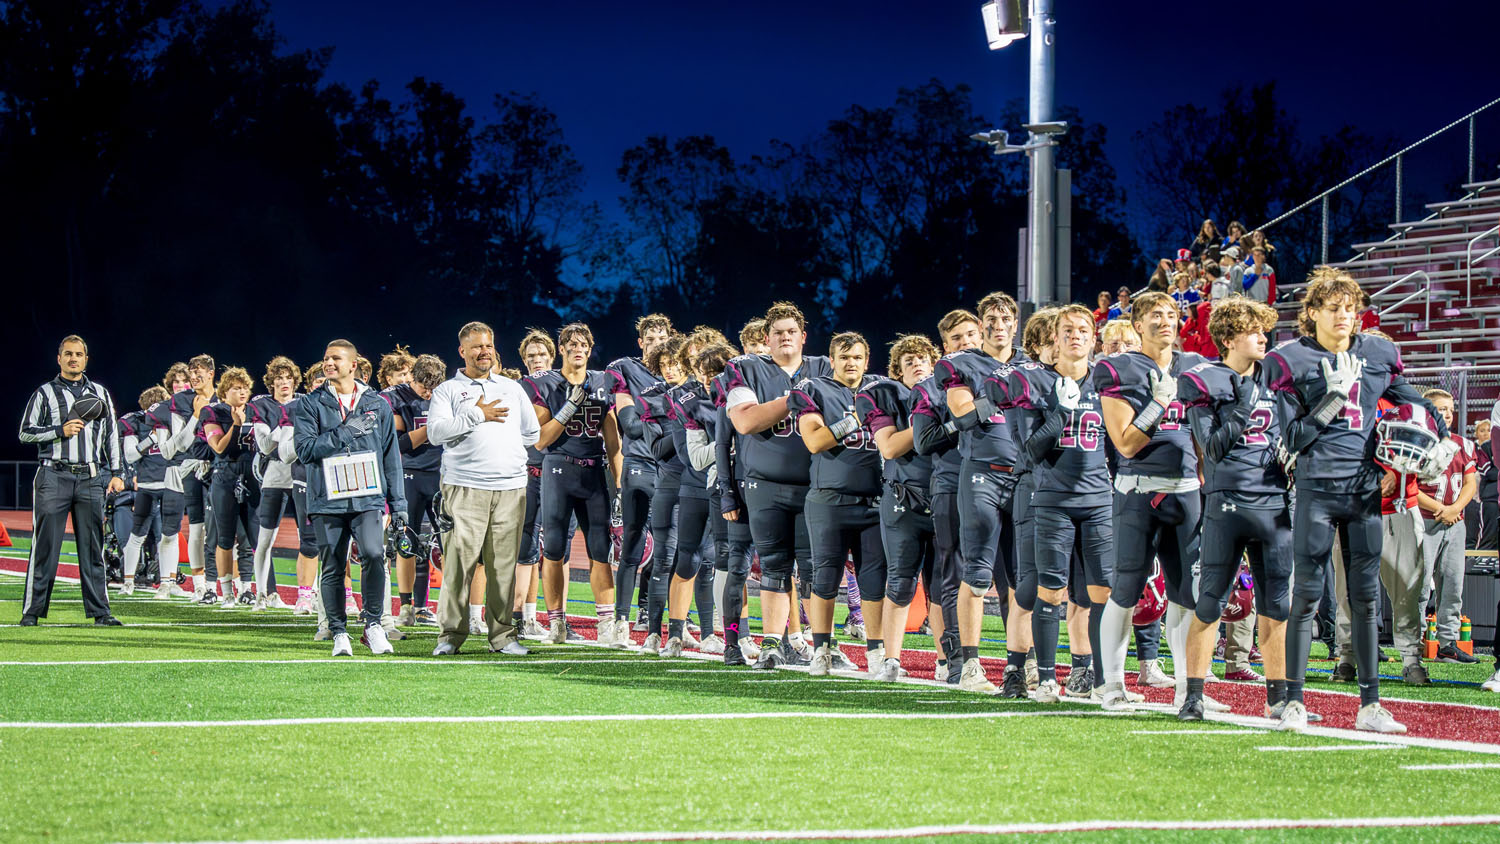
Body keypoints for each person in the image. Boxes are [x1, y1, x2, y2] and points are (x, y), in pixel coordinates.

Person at [1264, 267, 1451, 732]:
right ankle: (1294, 701)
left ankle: (1370, 704)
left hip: (1364, 491)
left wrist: (1443, 434)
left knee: (1367, 600)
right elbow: (1294, 436)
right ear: (1312, 313)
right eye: (1334, 308)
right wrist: (1334, 397)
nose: (1345, 316)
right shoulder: (1293, 360)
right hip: (1316, 489)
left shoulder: (1375, 353)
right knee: (1306, 596)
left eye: (1351, 307)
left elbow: (1417, 402)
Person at [1175, 298, 1300, 721]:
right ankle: (1192, 694)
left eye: (1264, 330)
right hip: (1227, 503)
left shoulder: (1279, 380)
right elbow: (1210, 447)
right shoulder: (1205, 380)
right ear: (1227, 339)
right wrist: (1243, 405)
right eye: (1252, 331)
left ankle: (1278, 697)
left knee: (1276, 606)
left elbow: (1295, 434)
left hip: (1275, 503)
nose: (1263, 337)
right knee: (1209, 602)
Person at [1094, 292, 1212, 712]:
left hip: (1187, 493)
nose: (1165, 321)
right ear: (1138, 325)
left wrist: (1205, 471)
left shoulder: (1195, 367)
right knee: (1126, 589)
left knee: (1186, 595)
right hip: (1139, 490)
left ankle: (1188, 688)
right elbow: (1125, 444)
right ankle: (1111, 685)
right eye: (1154, 316)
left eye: (1171, 315)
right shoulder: (1118, 368)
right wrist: (1159, 403)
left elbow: (1202, 431)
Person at [992, 305, 1115, 703]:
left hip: (1098, 499)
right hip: (1049, 498)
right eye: (1067, 330)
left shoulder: (1108, 382)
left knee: (1100, 593)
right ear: (1054, 339)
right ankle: (1041, 677)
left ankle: (1101, 677)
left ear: (1093, 338)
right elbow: (1028, 451)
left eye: (1083, 329)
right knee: (1042, 589)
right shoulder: (1035, 382)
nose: (1076, 336)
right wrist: (1060, 412)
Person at [724, 302, 831, 668]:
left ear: (803, 336)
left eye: (791, 332)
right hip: (765, 483)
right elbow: (745, 421)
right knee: (773, 566)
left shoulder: (825, 367)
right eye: (778, 333)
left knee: (816, 568)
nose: (785, 338)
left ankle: (822, 648)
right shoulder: (744, 368)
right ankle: (772, 643)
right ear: (766, 339)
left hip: (817, 483)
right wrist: (793, 400)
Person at [425, 322, 539, 655]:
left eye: (488, 345)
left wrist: (506, 454)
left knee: (503, 566)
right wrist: (477, 414)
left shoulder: (512, 388)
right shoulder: (448, 390)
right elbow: (436, 433)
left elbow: (531, 434)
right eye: (476, 346)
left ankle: (502, 636)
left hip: (511, 488)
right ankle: (450, 635)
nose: (484, 351)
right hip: (464, 487)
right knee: (459, 564)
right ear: (462, 351)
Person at [942, 291, 1033, 694]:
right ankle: (971, 664)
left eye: (1005, 318)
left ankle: (1023, 663)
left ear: (1016, 322)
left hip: (1026, 477)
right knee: (977, 572)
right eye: (990, 319)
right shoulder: (962, 363)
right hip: (982, 474)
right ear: (980, 326)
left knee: (1023, 577)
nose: (998, 325)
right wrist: (996, 394)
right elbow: (961, 413)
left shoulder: (1033, 365)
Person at [292, 339, 406, 657]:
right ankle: (339, 631)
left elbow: (390, 457)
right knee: (332, 564)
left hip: (368, 496)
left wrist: (398, 504)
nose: (329, 363)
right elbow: (305, 450)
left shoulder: (378, 404)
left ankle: (373, 625)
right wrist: (345, 432)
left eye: (336, 358)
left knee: (372, 554)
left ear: (353, 365)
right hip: (328, 497)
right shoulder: (309, 404)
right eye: (326, 358)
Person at [790, 332, 886, 677]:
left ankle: (877, 653)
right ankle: (822, 650)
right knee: (825, 577)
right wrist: (857, 419)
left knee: (875, 581)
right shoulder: (813, 389)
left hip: (875, 500)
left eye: (858, 357)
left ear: (867, 359)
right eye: (845, 357)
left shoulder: (881, 389)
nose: (851, 363)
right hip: (829, 499)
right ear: (832, 360)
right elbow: (815, 440)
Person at [524, 322, 622, 645]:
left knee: (601, 550)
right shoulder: (546, 384)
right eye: (572, 344)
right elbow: (540, 441)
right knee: (553, 549)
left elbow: (613, 442)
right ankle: (556, 623)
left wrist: (619, 485)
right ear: (562, 348)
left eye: (584, 345)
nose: (578, 349)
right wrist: (567, 409)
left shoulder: (603, 383)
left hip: (593, 472)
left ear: (590, 350)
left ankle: (606, 624)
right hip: (558, 470)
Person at [17, 335, 125, 626]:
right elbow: (25, 432)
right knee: (45, 547)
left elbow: (112, 435)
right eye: (68, 354)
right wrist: (58, 431)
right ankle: (32, 612)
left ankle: (101, 612)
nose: (73, 358)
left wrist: (117, 472)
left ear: (86, 359)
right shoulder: (45, 393)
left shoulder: (100, 393)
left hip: (90, 477)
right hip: (53, 474)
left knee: (93, 549)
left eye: (78, 354)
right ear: (59, 358)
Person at [856, 333, 939, 681]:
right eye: (908, 361)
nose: (917, 364)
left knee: (944, 585)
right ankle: (891, 657)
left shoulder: (949, 393)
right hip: (903, 496)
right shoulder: (885, 396)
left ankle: (949, 659)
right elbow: (888, 447)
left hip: (946, 496)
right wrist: (936, 425)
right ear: (897, 371)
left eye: (922, 359)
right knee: (901, 581)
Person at [909, 310, 983, 682]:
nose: (966, 343)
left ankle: (1024, 660)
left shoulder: (1001, 374)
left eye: (971, 334)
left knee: (1011, 572)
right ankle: (955, 658)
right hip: (952, 482)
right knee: (953, 568)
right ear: (945, 347)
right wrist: (974, 413)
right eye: (957, 338)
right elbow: (924, 441)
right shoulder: (929, 387)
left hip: (1000, 482)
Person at [606, 314, 673, 640]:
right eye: (651, 340)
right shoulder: (624, 368)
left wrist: (648, 407)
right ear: (641, 342)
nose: (657, 346)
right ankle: (620, 620)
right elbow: (630, 424)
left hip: (672, 466)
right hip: (640, 462)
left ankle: (655, 616)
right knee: (634, 540)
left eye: (663, 340)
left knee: (669, 546)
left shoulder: (678, 371)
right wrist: (665, 408)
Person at [1417, 388, 1478, 665]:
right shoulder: (1417, 441)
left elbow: (1470, 483)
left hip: (1455, 522)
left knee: (1453, 585)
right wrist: (1440, 509)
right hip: (1424, 521)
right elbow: (1408, 487)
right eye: (1441, 408)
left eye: (1450, 409)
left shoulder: (1463, 444)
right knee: (1418, 586)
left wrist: (1454, 509)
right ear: (1427, 410)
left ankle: (1449, 642)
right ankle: (1415, 641)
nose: (1448, 413)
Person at [387, 354, 448, 627]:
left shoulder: (445, 393)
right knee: (406, 542)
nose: (428, 392)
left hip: (441, 473)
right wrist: (432, 429)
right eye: (424, 386)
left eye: (434, 387)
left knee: (450, 543)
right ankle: (406, 606)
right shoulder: (394, 396)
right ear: (412, 376)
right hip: (409, 474)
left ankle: (448, 604)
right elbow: (398, 443)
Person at [201, 366, 260, 607]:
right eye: (237, 388)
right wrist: (236, 426)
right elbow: (217, 447)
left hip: (252, 475)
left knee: (249, 538)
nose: (243, 392)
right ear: (225, 391)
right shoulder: (212, 411)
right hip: (225, 474)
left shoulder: (257, 411)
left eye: (245, 387)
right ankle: (226, 592)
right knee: (224, 537)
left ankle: (246, 588)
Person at [247, 356, 303, 610]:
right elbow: (265, 445)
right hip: (275, 474)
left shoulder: (305, 402)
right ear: (271, 382)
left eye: (288, 378)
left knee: (310, 540)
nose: (284, 382)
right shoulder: (261, 405)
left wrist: (281, 431)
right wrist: (284, 428)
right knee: (265, 539)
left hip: (303, 475)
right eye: (279, 378)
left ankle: (308, 594)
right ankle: (261, 593)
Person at [121, 386, 184, 598]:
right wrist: (152, 439)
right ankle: (128, 581)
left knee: (169, 535)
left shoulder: (176, 420)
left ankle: (169, 580)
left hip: (170, 484)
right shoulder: (135, 422)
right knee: (138, 534)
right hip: (148, 486)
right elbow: (130, 456)